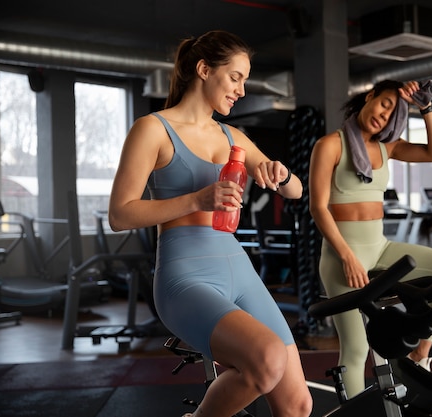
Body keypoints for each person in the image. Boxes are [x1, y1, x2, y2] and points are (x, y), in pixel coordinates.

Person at [108, 30, 312, 417]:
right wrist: (198, 199)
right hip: (185, 275)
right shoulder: (153, 129)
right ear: (204, 69)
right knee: (266, 360)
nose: (242, 89)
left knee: (298, 405)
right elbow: (120, 214)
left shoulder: (232, 136)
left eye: (245, 80)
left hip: (237, 267)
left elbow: (297, 191)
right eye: (235, 77)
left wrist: (280, 173)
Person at [308, 79, 432, 398]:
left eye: (394, 112)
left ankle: (420, 355)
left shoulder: (388, 147)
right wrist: (346, 256)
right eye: (384, 103)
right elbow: (318, 208)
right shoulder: (330, 145)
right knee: (355, 350)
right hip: (342, 256)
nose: (384, 114)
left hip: (380, 248)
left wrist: (426, 108)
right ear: (370, 97)